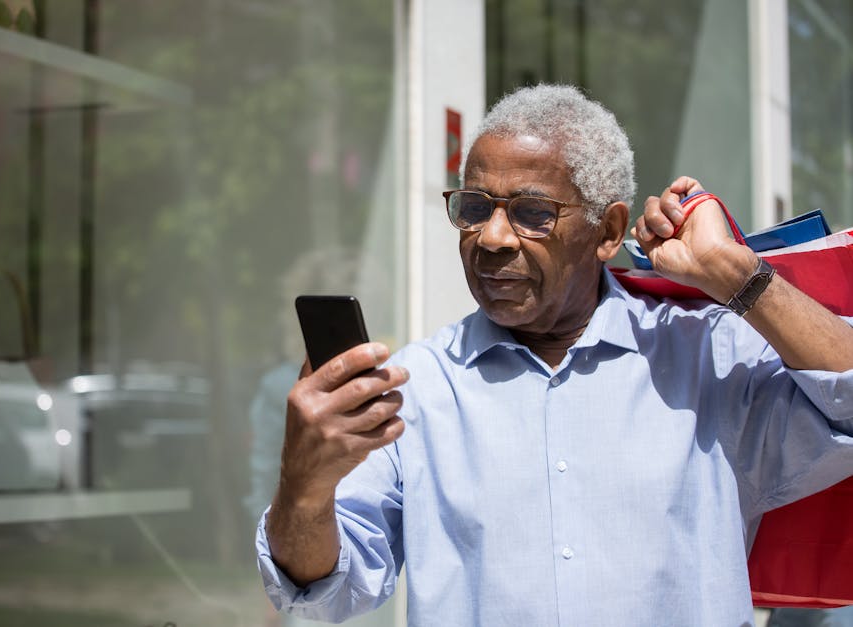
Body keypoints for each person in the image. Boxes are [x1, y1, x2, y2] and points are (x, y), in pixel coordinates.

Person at [255, 84, 853, 626]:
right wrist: (304, 483)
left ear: (608, 231)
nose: (491, 238)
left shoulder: (708, 359)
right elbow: (325, 590)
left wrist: (734, 274)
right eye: (473, 207)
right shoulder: (417, 390)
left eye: (532, 213)